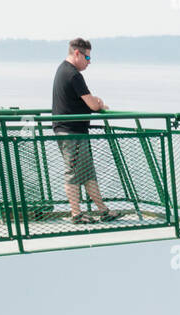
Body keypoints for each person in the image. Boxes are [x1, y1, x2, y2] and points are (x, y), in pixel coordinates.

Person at [51, 39, 122, 224]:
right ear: (77, 53)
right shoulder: (72, 74)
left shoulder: (63, 70)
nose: (89, 61)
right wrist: (98, 102)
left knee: (88, 174)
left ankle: (104, 211)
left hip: (76, 132)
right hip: (71, 133)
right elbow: (92, 104)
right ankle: (76, 214)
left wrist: (94, 102)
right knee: (73, 173)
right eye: (88, 57)